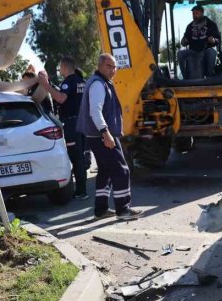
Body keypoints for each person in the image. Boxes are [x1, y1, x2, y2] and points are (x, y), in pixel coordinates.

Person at [77, 54, 143, 221]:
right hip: (102, 135)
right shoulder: (98, 84)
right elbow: (95, 111)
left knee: (105, 172)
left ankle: (101, 210)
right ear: (100, 66)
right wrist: (105, 133)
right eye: (109, 66)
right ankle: (123, 210)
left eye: (114, 67)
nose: (113, 70)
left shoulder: (101, 82)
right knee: (121, 170)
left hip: (101, 135)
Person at [38, 56, 89, 200]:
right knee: (81, 156)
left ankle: (81, 191)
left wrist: (46, 85)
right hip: (82, 122)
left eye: (60, 67)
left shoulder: (68, 81)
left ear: (65, 67)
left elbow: (61, 98)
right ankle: (82, 189)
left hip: (72, 124)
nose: (59, 69)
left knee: (75, 157)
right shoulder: (81, 82)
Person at [177, 5, 222, 79]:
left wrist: (214, 40)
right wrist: (183, 41)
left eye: (196, 13)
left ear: (202, 13)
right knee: (180, 54)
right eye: (193, 14)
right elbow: (184, 41)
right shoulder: (190, 27)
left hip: (207, 50)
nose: (194, 16)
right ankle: (185, 78)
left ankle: (209, 77)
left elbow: (218, 39)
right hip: (194, 51)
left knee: (212, 52)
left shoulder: (211, 24)